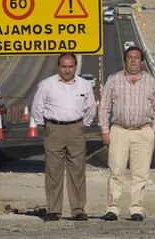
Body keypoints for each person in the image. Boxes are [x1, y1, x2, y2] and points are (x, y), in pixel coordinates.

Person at [98, 46, 155, 221]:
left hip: (143, 132)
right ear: (125, 60)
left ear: (142, 61)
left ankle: (136, 209)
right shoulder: (113, 80)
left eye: (136, 57)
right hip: (119, 131)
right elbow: (104, 107)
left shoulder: (151, 81)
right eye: (130, 57)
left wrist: (153, 130)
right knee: (116, 171)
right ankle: (112, 208)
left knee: (140, 174)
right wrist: (105, 130)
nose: (133, 60)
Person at [31, 53, 96, 222]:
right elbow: (37, 108)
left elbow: (90, 108)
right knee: (53, 171)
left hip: (76, 130)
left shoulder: (84, 85)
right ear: (58, 66)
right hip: (54, 129)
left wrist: (83, 125)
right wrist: (46, 125)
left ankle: (78, 209)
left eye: (70, 66)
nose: (67, 70)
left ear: (75, 66)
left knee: (77, 171)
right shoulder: (47, 85)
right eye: (63, 66)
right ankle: (53, 209)